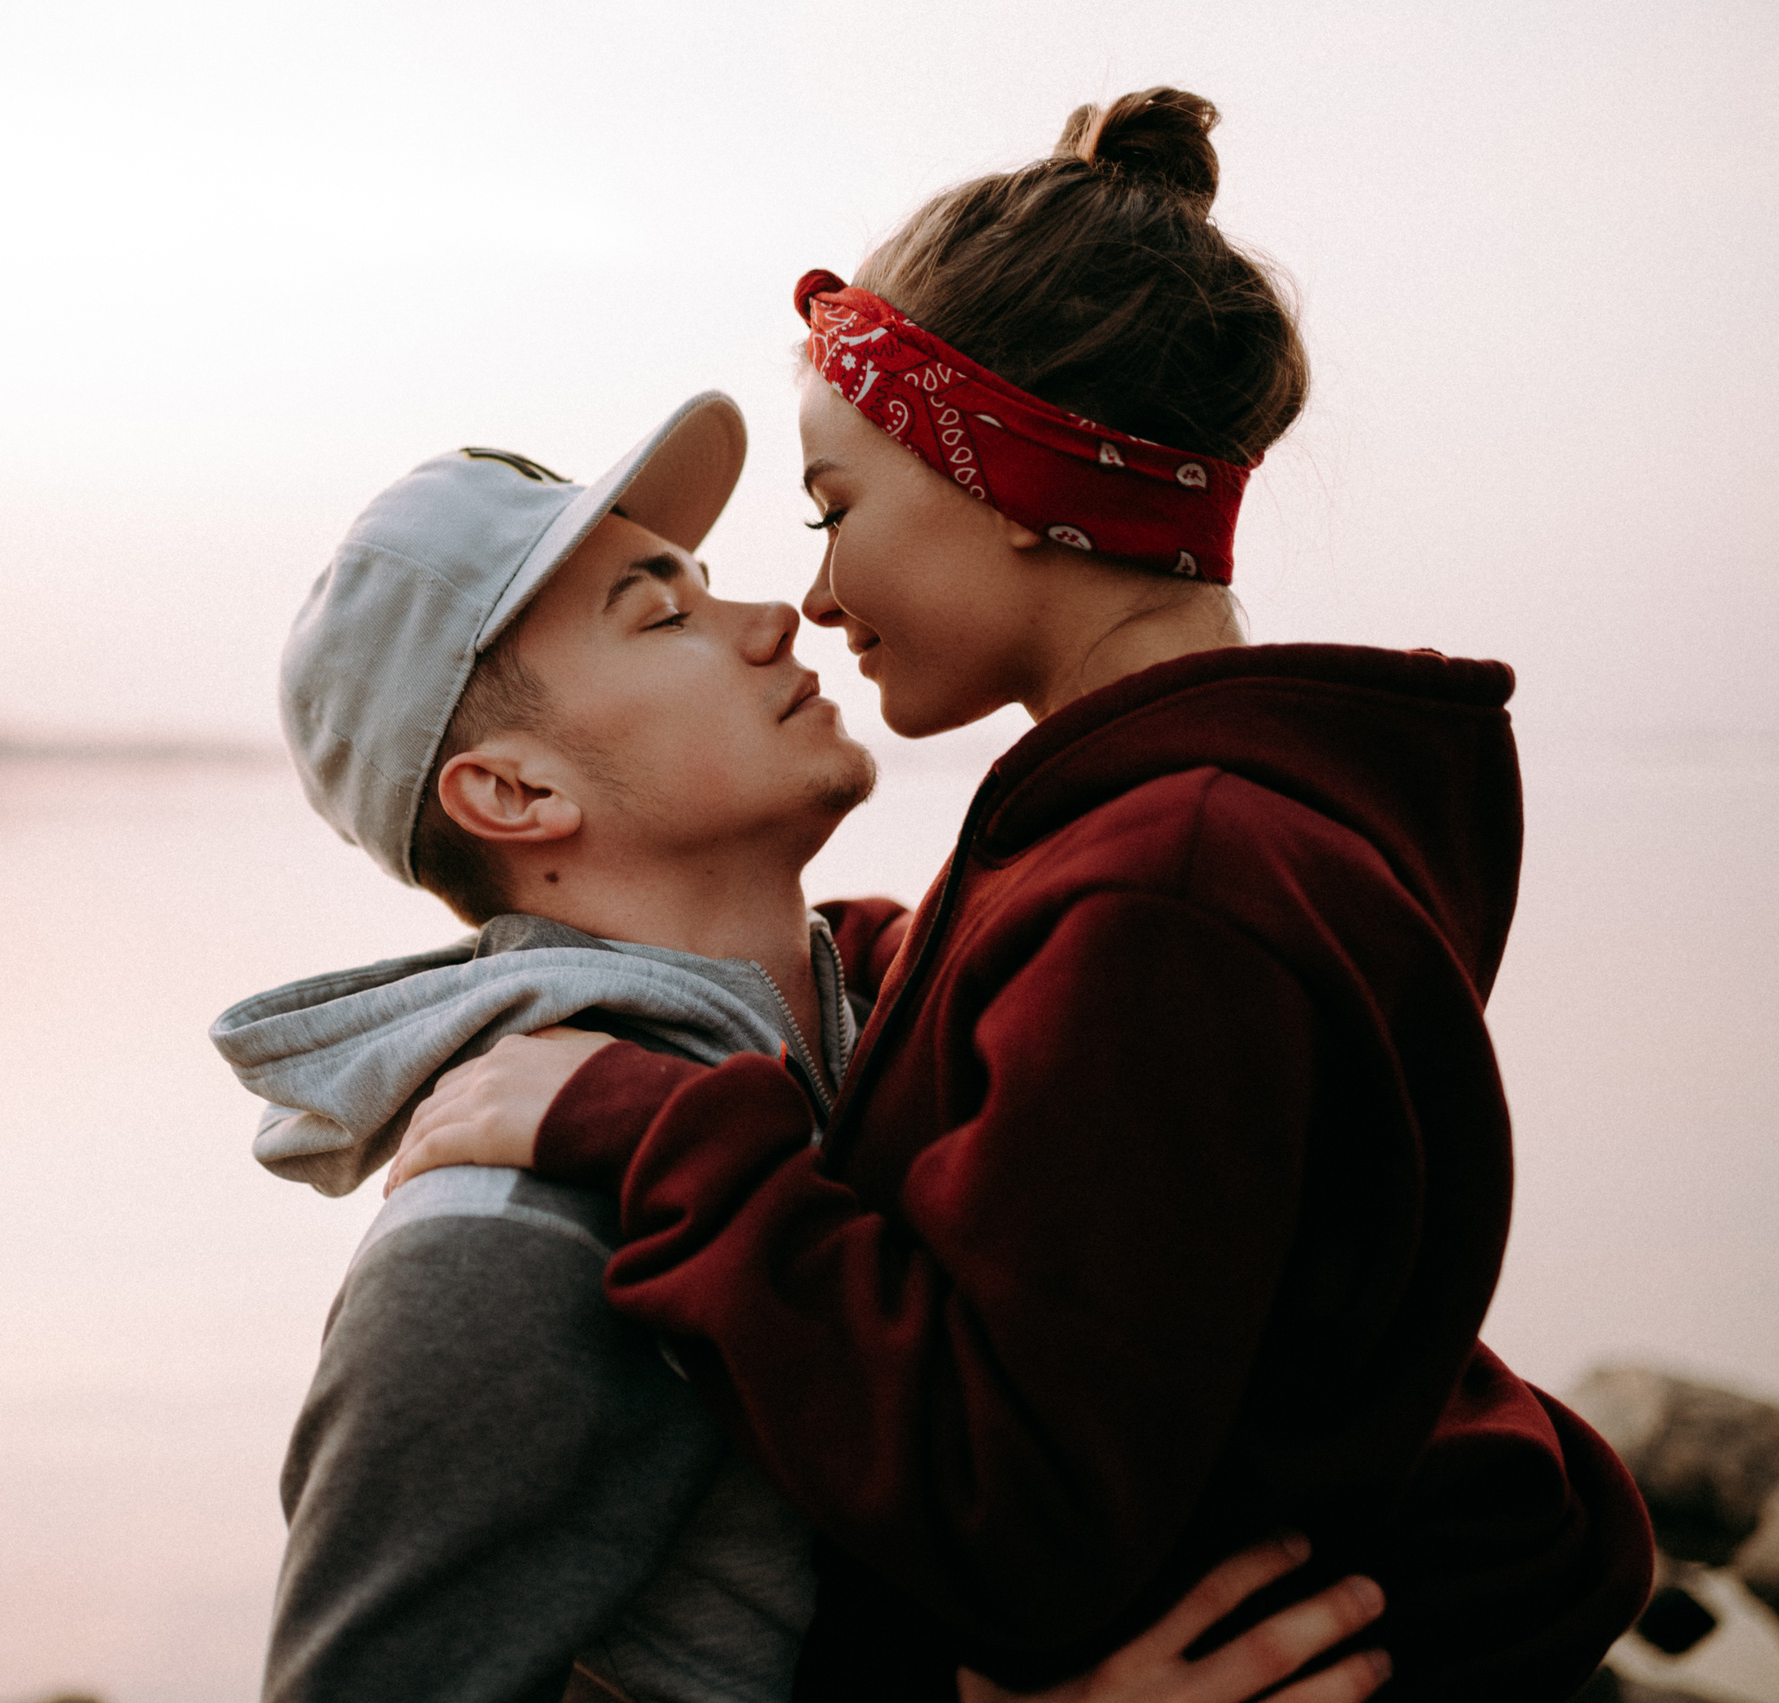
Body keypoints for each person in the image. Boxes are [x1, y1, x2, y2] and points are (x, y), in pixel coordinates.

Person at [386, 89, 1656, 1700]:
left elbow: (1008, 1512)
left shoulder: (1169, 893)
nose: (821, 593)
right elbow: (1130, 1213)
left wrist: (646, 1127)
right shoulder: (1183, 838)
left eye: (835, 505)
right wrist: (834, 972)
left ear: (1018, 475)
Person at [216, 395, 1391, 1702]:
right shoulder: (505, 1230)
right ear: (516, 793)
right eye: (663, 616)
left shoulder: (897, 1047)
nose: (775, 618)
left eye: (706, 585)